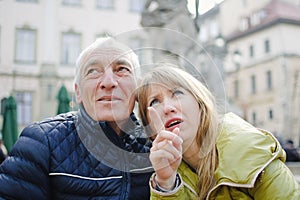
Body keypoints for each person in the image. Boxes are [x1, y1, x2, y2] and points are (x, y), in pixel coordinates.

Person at [0, 37, 153, 199]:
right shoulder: (41, 142)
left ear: (138, 88)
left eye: (122, 69)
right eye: (93, 71)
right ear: (78, 92)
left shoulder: (155, 145)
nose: (109, 82)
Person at [137, 66, 300, 199]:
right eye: (155, 101)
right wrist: (166, 185)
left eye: (177, 93)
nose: (167, 107)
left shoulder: (249, 150)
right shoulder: (164, 174)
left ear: (200, 104)